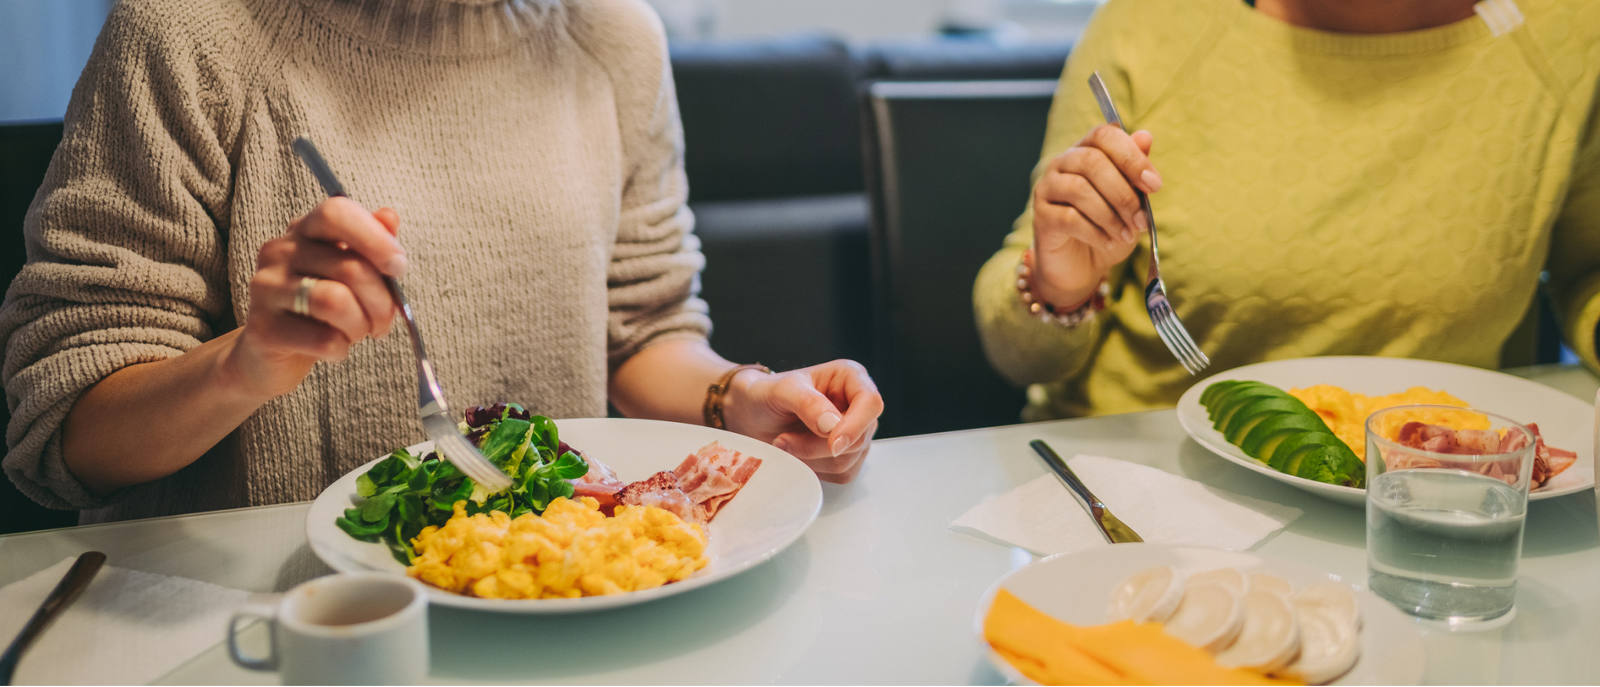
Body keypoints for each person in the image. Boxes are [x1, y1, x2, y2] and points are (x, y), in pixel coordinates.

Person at [0, 0, 881, 523]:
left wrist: (741, 395)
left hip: (550, 595)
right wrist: (249, 361)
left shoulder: (614, 37)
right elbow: (65, 434)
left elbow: (642, 329)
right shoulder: (186, 36)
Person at [974, 0, 1600, 420]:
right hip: (1139, 485)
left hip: (1433, 496)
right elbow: (1017, 355)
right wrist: (1059, 288)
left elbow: (1588, 275)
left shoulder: (1569, 36)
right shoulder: (1153, 21)